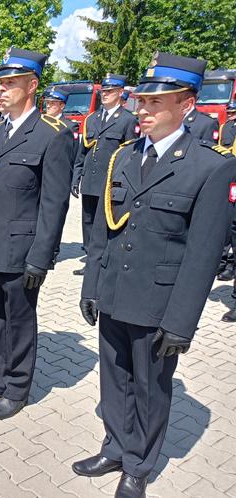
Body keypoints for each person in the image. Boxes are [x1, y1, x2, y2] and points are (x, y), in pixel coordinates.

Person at [73, 52, 236, 498]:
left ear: (187, 105)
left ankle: (138, 466)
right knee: (113, 378)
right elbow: (105, 231)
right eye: (141, 100)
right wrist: (91, 286)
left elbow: (203, 256)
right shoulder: (125, 156)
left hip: (158, 302)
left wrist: (181, 322)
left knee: (149, 388)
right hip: (114, 292)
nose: (142, 110)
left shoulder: (210, 165)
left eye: (155, 102)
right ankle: (115, 446)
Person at [0, 48, 74, 420]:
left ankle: (17, 386)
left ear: (32, 85)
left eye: (10, 83)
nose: (1, 90)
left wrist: (41, 256)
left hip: (22, 250)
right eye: (0, 84)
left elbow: (54, 203)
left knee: (19, 320)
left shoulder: (52, 135)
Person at [72, 74, 139, 275]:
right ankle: (91, 260)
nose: (105, 95)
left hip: (111, 182)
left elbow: (131, 154)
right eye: (103, 91)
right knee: (88, 221)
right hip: (91, 181)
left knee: (108, 221)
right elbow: (82, 151)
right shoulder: (91, 119)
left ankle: (107, 259)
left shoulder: (128, 120)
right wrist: (76, 176)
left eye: (109, 91)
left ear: (120, 93)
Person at [216, 102, 236, 282]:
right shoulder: (224, 127)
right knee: (228, 220)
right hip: (230, 175)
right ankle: (222, 262)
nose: (230, 115)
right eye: (229, 113)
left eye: (233, 113)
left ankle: (231, 264)